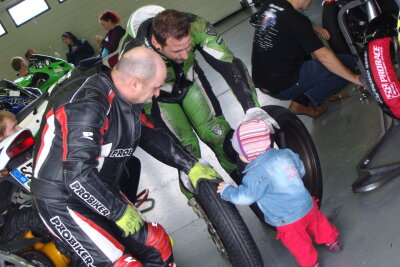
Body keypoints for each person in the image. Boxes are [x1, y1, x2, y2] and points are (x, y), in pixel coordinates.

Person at [31, 46, 223, 266]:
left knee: (156, 243)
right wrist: (118, 211)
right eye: (156, 87)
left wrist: (189, 164)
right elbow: (76, 176)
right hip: (62, 201)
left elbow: (148, 133)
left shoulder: (123, 94)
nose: (158, 92)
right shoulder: (86, 104)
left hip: (99, 185)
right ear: (135, 83)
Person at [114, 6, 276, 196]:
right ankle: (207, 209)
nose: (185, 55)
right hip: (156, 98)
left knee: (219, 135)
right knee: (188, 154)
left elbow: (229, 64)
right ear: (157, 44)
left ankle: (257, 193)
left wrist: (252, 108)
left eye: (188, 47)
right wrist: (181, 161)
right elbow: (138, 115)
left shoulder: (195, 25)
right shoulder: (132, 55)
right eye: (177, 50)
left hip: (190, 82)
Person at [217, 119, 342, 267]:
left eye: (239, 152)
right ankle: (333, 242)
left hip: (287, 221)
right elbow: (301, 170)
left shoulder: (254, 175)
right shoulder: (285, 154)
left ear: (248, 153)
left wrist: (227, 191)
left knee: (299, 244)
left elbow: (246, 197)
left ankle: (311, 263)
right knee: (319, 224)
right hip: (307, 205)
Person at [251, 0, 363, 117]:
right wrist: (355, 78)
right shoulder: (296, 19)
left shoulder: (272, 4)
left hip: (263, 81)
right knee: (347, 63)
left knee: (301, 50)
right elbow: (324, 57)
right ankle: (302, 102)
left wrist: (310, 28)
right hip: (282, 85)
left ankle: (301, 96)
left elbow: (261, 21)